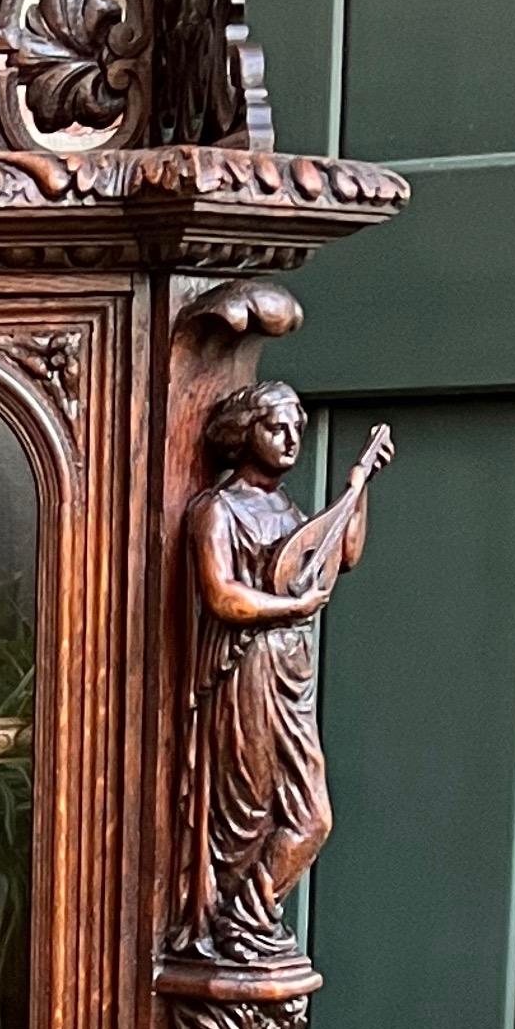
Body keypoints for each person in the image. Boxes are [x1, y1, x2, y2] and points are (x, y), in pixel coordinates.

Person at [182, 381, 387, 965]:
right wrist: (289, 610)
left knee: (310, 815)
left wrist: (357, 489)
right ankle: (228, 926)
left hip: (291, 667)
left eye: (298, 428)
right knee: (245, 807)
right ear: (245, 433)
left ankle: (249, 916)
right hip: (247, 669)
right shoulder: (217, 510)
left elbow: (339, 556)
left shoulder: (288, 511)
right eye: (277, 427)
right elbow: (222, 595)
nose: (291, 439)